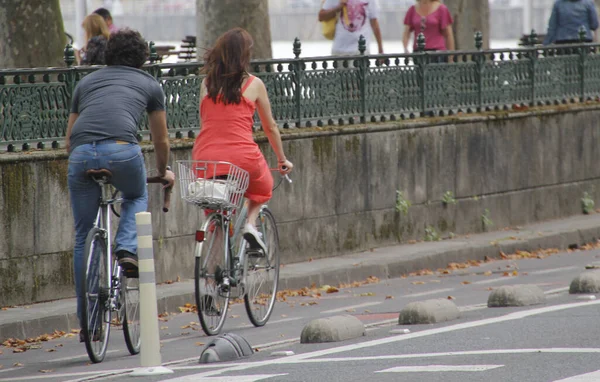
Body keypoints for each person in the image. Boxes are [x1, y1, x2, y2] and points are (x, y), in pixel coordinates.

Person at [66, 29, 175, 340]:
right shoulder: (150, 85)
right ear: (142, 58)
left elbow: (69, 138)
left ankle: (88, 322)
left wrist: (81, 157)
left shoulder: (85, 82)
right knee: (136, 194)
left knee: (82, 235)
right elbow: (161, 138)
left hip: (82, 154)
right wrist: (162, 170)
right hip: (122, 151)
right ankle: (126, 248)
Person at [192, 28, 293, 254]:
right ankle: (251, 224)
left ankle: (211, 279)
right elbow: (270, 127)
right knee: (263, 186)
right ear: (244, 55)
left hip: (205, 157)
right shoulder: (254, 84)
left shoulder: (206, 84)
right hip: (242, 157)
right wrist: (282, 159)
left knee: (216, 207)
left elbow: (206, 121)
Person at [319, 0, 384, 55]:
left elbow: (374, 22)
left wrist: (380, 49)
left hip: (361, 51)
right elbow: (321, 16)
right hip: (340, 50)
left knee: (362, 69)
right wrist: (338, 8)